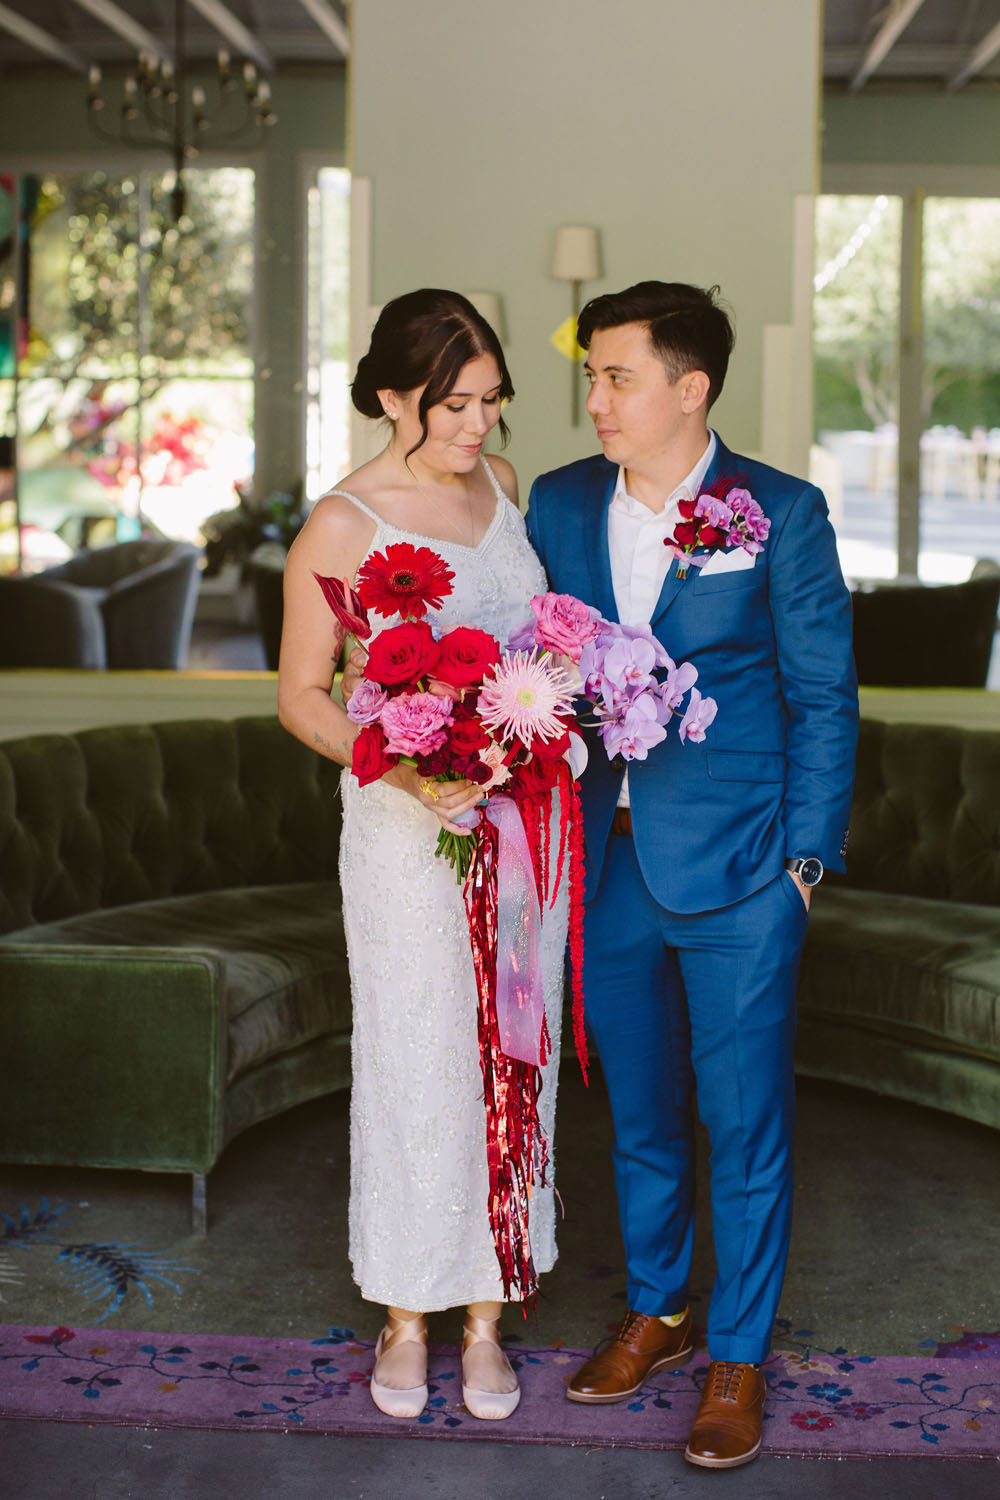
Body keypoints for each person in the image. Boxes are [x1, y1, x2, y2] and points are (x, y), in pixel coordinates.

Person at [524, 281, 858, 1469]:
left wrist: (802, 869)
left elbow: (822, 695)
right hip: (601, 864)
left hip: (741, 876)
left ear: (689, 388)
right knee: (638, 1116)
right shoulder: (558, 503)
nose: (595, 399)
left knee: (744, 1121)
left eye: (617, 376)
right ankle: (659, 1313)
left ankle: (735, 1353)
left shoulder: (781, 510)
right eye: (594, 377)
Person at [277, 290, 566, 1423]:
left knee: (510, 1053)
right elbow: (300, 695)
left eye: (492, 402)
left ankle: (489, 1312)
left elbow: (535, 647)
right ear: (395, 395)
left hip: (518, 825)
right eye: (453, 405)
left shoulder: (502, 492)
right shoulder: (345, 523)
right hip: (405, 838)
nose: (477, 428)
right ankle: (405, 1313)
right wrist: (404, 769)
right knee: (418, 1059)